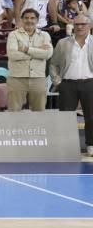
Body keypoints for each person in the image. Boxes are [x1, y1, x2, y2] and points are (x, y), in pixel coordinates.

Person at [50, 15, 93, 156]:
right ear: (73, 26)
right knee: (66, 117)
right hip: (68, 84)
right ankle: (66, 147)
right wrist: (58, 83)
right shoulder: (63, 43)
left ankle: (91, 145)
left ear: (89, 25)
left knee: (91, 117)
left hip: (90, 83)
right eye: (77, 24)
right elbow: (53, 64)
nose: (79, 27)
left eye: (83, 24)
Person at [6, 9, 53, 111]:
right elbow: (12, 54)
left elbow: (48, 54)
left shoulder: (44, 35)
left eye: (32, 18)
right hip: (16, 78)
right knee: (13, 112)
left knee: (39, 112)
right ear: (22, 19)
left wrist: (26, 49)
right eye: (26, 18)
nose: (29, 20)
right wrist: (37, 53)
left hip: (38, 78)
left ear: (37, 20)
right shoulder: (13, 35)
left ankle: (38, 128)